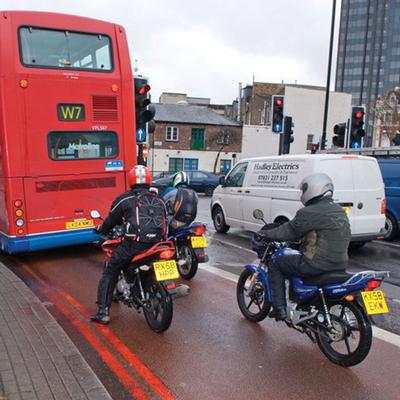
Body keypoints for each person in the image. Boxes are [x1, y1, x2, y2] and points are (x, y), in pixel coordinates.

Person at [257, 173, 351, 321]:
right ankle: (306, 305)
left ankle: (279, 308)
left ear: (313, 189)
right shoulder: (338, 209)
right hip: (340, 263)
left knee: (276, 262)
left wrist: (266, 234)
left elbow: (288, 231)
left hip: (317, 264)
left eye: (304, 189)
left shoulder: (309, 212)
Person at [91, 165, 167, 325]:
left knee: (110, 271)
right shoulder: (158, 199)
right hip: (158, 244)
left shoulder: (125, 198)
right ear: (148, 179)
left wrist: (100, 229)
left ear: (131, 180)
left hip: (134, 245)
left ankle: (103, 312)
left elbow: (111, 220)